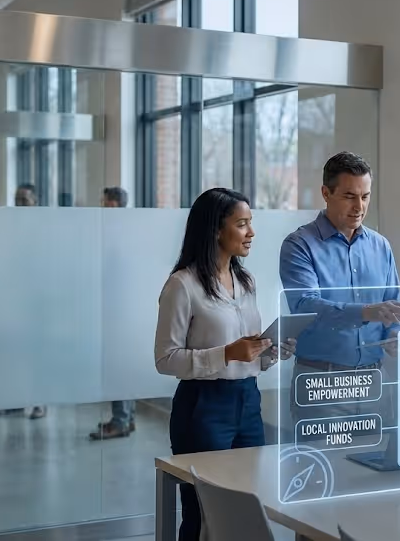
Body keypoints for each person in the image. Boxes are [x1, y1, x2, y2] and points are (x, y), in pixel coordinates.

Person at [155, 188, 294, 541]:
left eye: (251, 224)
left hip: (249, 402)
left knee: (246, 506)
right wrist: (226, 354)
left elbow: (248, 355)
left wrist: (272, 351)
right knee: (202, 511)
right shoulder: (182, 285)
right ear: (216, 230)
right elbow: (165, 359)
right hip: (203, 407)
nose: (251, 233)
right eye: (242, 224)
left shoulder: (245, 282)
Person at [279, 151, 400, 422]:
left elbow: (392, 304)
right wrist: (366, 312)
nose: (359, 207)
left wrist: (398, 333)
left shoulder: (380, 246)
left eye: (365, 196)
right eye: (350, 196)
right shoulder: (299, 245)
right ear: (326, 193)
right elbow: (306, 305)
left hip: (374, 381)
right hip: (322, 383)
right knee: (325, 463)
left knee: (374, 462)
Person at [91, 187, 137, 440]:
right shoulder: (123, 232)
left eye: (106, 204)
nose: (102, 208)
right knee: (121, 364)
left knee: (117, 364)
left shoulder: (121, 235)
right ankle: (126, 418)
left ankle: (121, 420)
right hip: (119, 308)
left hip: (120, 309)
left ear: (117, 205)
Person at [14, 183, 48, 420]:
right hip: (16, 299)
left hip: (38, 302)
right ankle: (15, 399)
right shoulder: (12, 226)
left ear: (35, 201)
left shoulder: (42, 228)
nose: (20, 203)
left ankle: (39, 402)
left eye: (24, 199)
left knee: (37, 357)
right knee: (16, 353)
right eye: (17, 199)